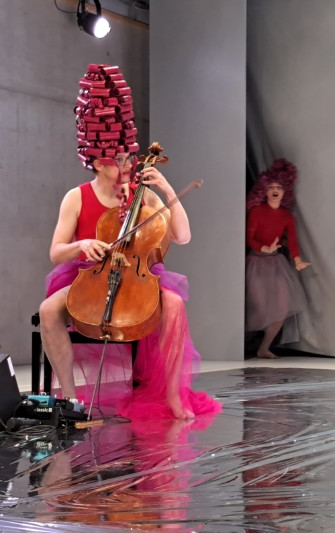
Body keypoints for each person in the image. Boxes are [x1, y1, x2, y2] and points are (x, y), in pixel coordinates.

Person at [39, 64, 221, 420]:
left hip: (138, 279)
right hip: (90, 277)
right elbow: (56, 252)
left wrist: (165, 188)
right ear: (96, 161)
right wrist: (82, 245)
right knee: (48, 310)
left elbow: (182, 236)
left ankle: (173, 395)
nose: (126, 166)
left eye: (129, 158)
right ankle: (70, 399)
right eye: (117, 160)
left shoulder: (143, 194)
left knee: (174, 305)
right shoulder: (76, 197)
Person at [245, 159, 310, 359]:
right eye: (271, 187)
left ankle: (264, 348)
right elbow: (249, 237)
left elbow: (293, 241)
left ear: (285, 192)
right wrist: (264, 248)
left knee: (282, 306)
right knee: (257, 305)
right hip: (256, 262)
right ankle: (242, 345)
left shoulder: (286, 216)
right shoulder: (256, 211)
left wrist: (297, 260)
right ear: (264, 190)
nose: (275, 190)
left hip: (276, 263)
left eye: (279, 187)